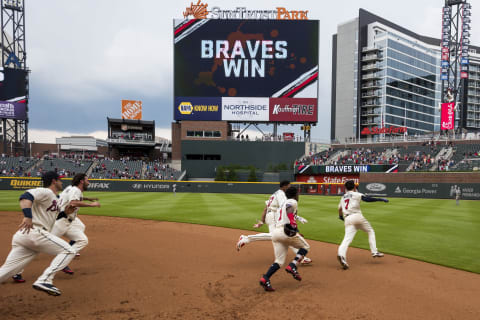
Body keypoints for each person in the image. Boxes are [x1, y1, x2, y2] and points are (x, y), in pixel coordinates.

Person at [0, 171, 77, 296]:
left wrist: (65, 213)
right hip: (35, 232)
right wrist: (27, 216)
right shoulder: (46, 191)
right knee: (69, 251)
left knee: (5, 272)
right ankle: (45, 280)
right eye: (59, 179)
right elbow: (25, 196)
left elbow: (51, 217)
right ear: (53, 181)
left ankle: (44, 280)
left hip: (25, 237)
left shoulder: (54, 199)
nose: (61, 182)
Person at [236, 181, 312, 265]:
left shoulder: (274, 194)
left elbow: (265, 208)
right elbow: (285, 208)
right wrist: (296, 217)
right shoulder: (281, 194)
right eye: (289, 186)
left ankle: (302, 258)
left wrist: (262, 221)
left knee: (284, 237)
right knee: (278, 235)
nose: (289, 188)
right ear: (284, 186)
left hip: (270, 215)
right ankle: (246, 238)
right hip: (274, 215)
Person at [259, 186, 310, 291]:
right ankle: (293, 265)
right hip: (285, 232)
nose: (298, 195)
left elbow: (285, 213)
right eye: (298, 193)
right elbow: (289, 209)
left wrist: (295, 227)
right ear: (295, 194)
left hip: (276, 233)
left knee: (279, 261)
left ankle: (265, 278)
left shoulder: (281, 205)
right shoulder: (292, 202)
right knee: (305, 246)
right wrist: (293, 225)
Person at [337, 180, 388, 270]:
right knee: (370, 231)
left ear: (345, 188)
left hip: (347, 219)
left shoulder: (343, 197)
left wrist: (340, 217)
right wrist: (380, 199)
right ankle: (374, 251)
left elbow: (340, 209)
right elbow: (367, 199)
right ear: (354, 187)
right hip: (357, 216)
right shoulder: (356, 194)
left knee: (346, 240)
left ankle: (341, 255)